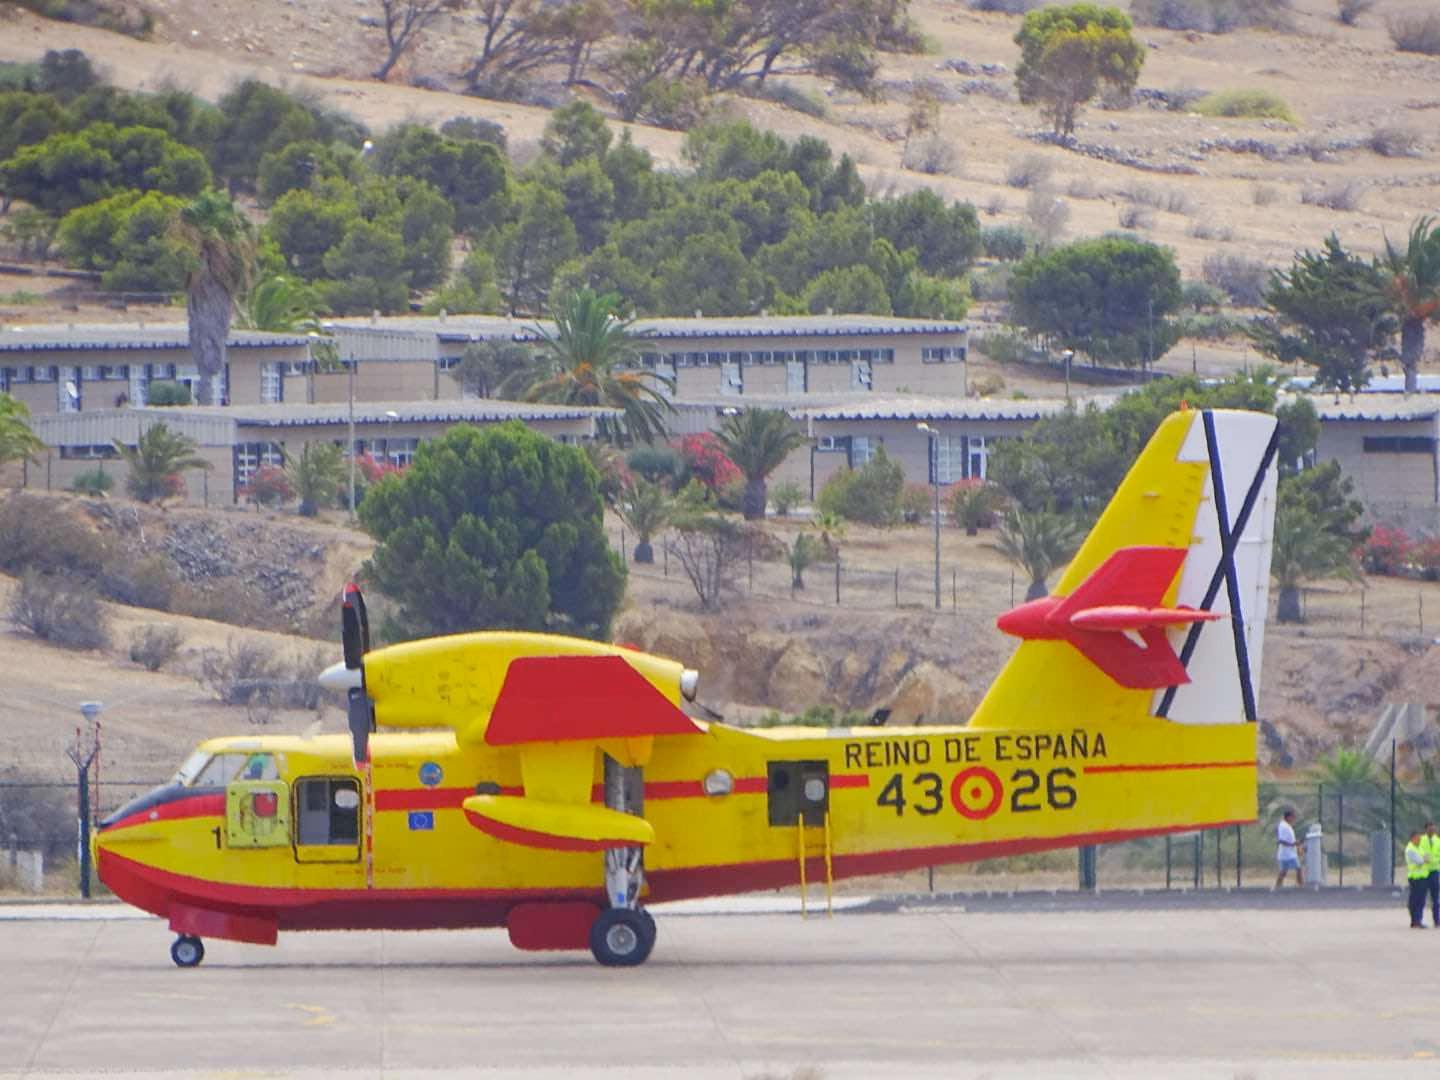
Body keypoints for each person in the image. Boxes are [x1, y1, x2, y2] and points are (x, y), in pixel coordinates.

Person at [1407, 829, 1430, 928]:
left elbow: (1427, 858)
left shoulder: (1419, 847)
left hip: (1423, 877)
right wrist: (1423, 859)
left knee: (1421, 900)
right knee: (1415, 900)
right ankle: (1415, 921)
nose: (1419, 840)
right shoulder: (1410, 849)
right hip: (1415, 878)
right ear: (1412, 838)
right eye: (1417, 838)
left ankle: (1418, 921)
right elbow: (1420, 861)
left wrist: (1424, 859)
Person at [1275, 809, 1303, 888]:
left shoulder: (1287, 826)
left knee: (1284, 871)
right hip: (1287, 854)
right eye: (1293, 817)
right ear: (1288, 817)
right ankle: (1300, 885)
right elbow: (1281, 840)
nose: (1294, 819)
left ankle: (1278, 886)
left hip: (1289, 853)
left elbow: (1290, 839)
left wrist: (1297, 845)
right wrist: (1292, 844)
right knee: (1298, 869)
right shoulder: (1283, 826)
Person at [1424, 822, 1440, 927]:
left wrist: (1432, 860)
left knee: (1436, 898)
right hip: (1423, 873)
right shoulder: (1421, 840)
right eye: (1430, 829)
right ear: (1426, 829)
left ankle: (1437, 920)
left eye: (1433, 829)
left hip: (1434, 872)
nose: (1432, 831)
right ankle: (1417, 920)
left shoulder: (1438, 841)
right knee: (1420, 898)